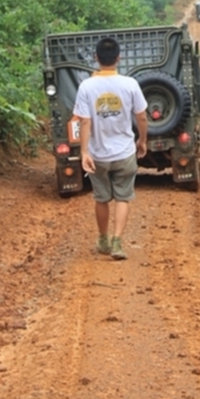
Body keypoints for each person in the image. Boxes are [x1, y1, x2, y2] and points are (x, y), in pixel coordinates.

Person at [73, 36, 148, 259]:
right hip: (125, 152)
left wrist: (84, 152)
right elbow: (141, 117)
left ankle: (103, 239)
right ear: (118, 58)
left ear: (96, 58)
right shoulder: (130, 84)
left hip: (98, 155)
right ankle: (117, 242)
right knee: (123, 197)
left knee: (101, 198)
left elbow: (84, 121)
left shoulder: (86, 86)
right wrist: (142, 140)